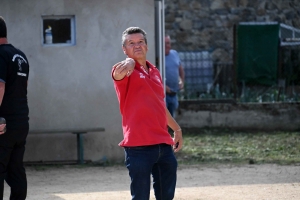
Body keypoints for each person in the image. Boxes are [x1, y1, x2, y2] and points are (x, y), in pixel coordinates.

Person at [111, 27, 183, 200]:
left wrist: (177, 129)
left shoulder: (155, 71)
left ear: (147, 46)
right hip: (138, 147)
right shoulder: (124, 70)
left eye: (140, 42)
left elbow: (160, 106)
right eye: (131, 43)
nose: (137, 46)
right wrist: (130, 63)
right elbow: (117, 74)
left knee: (166, 197)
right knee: (140, 197)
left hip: (164, 145)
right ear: (124, 49)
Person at [0, 16, 30, 200]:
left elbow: (0, 86)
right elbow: (24, 87)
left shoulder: (0, 54)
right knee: (16, 169)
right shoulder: (20, 55)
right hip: (20, 121)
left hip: (3, 124)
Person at [165, 35, 185, 117]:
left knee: (172, 119)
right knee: (163, 119)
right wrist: (163, 86)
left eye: (168, 43)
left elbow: (180, 70)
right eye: (165, 43)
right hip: (163, 95)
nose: (167, 45)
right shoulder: (158, 57)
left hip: (174, 94)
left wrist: (181, 82)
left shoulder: (174, 54)